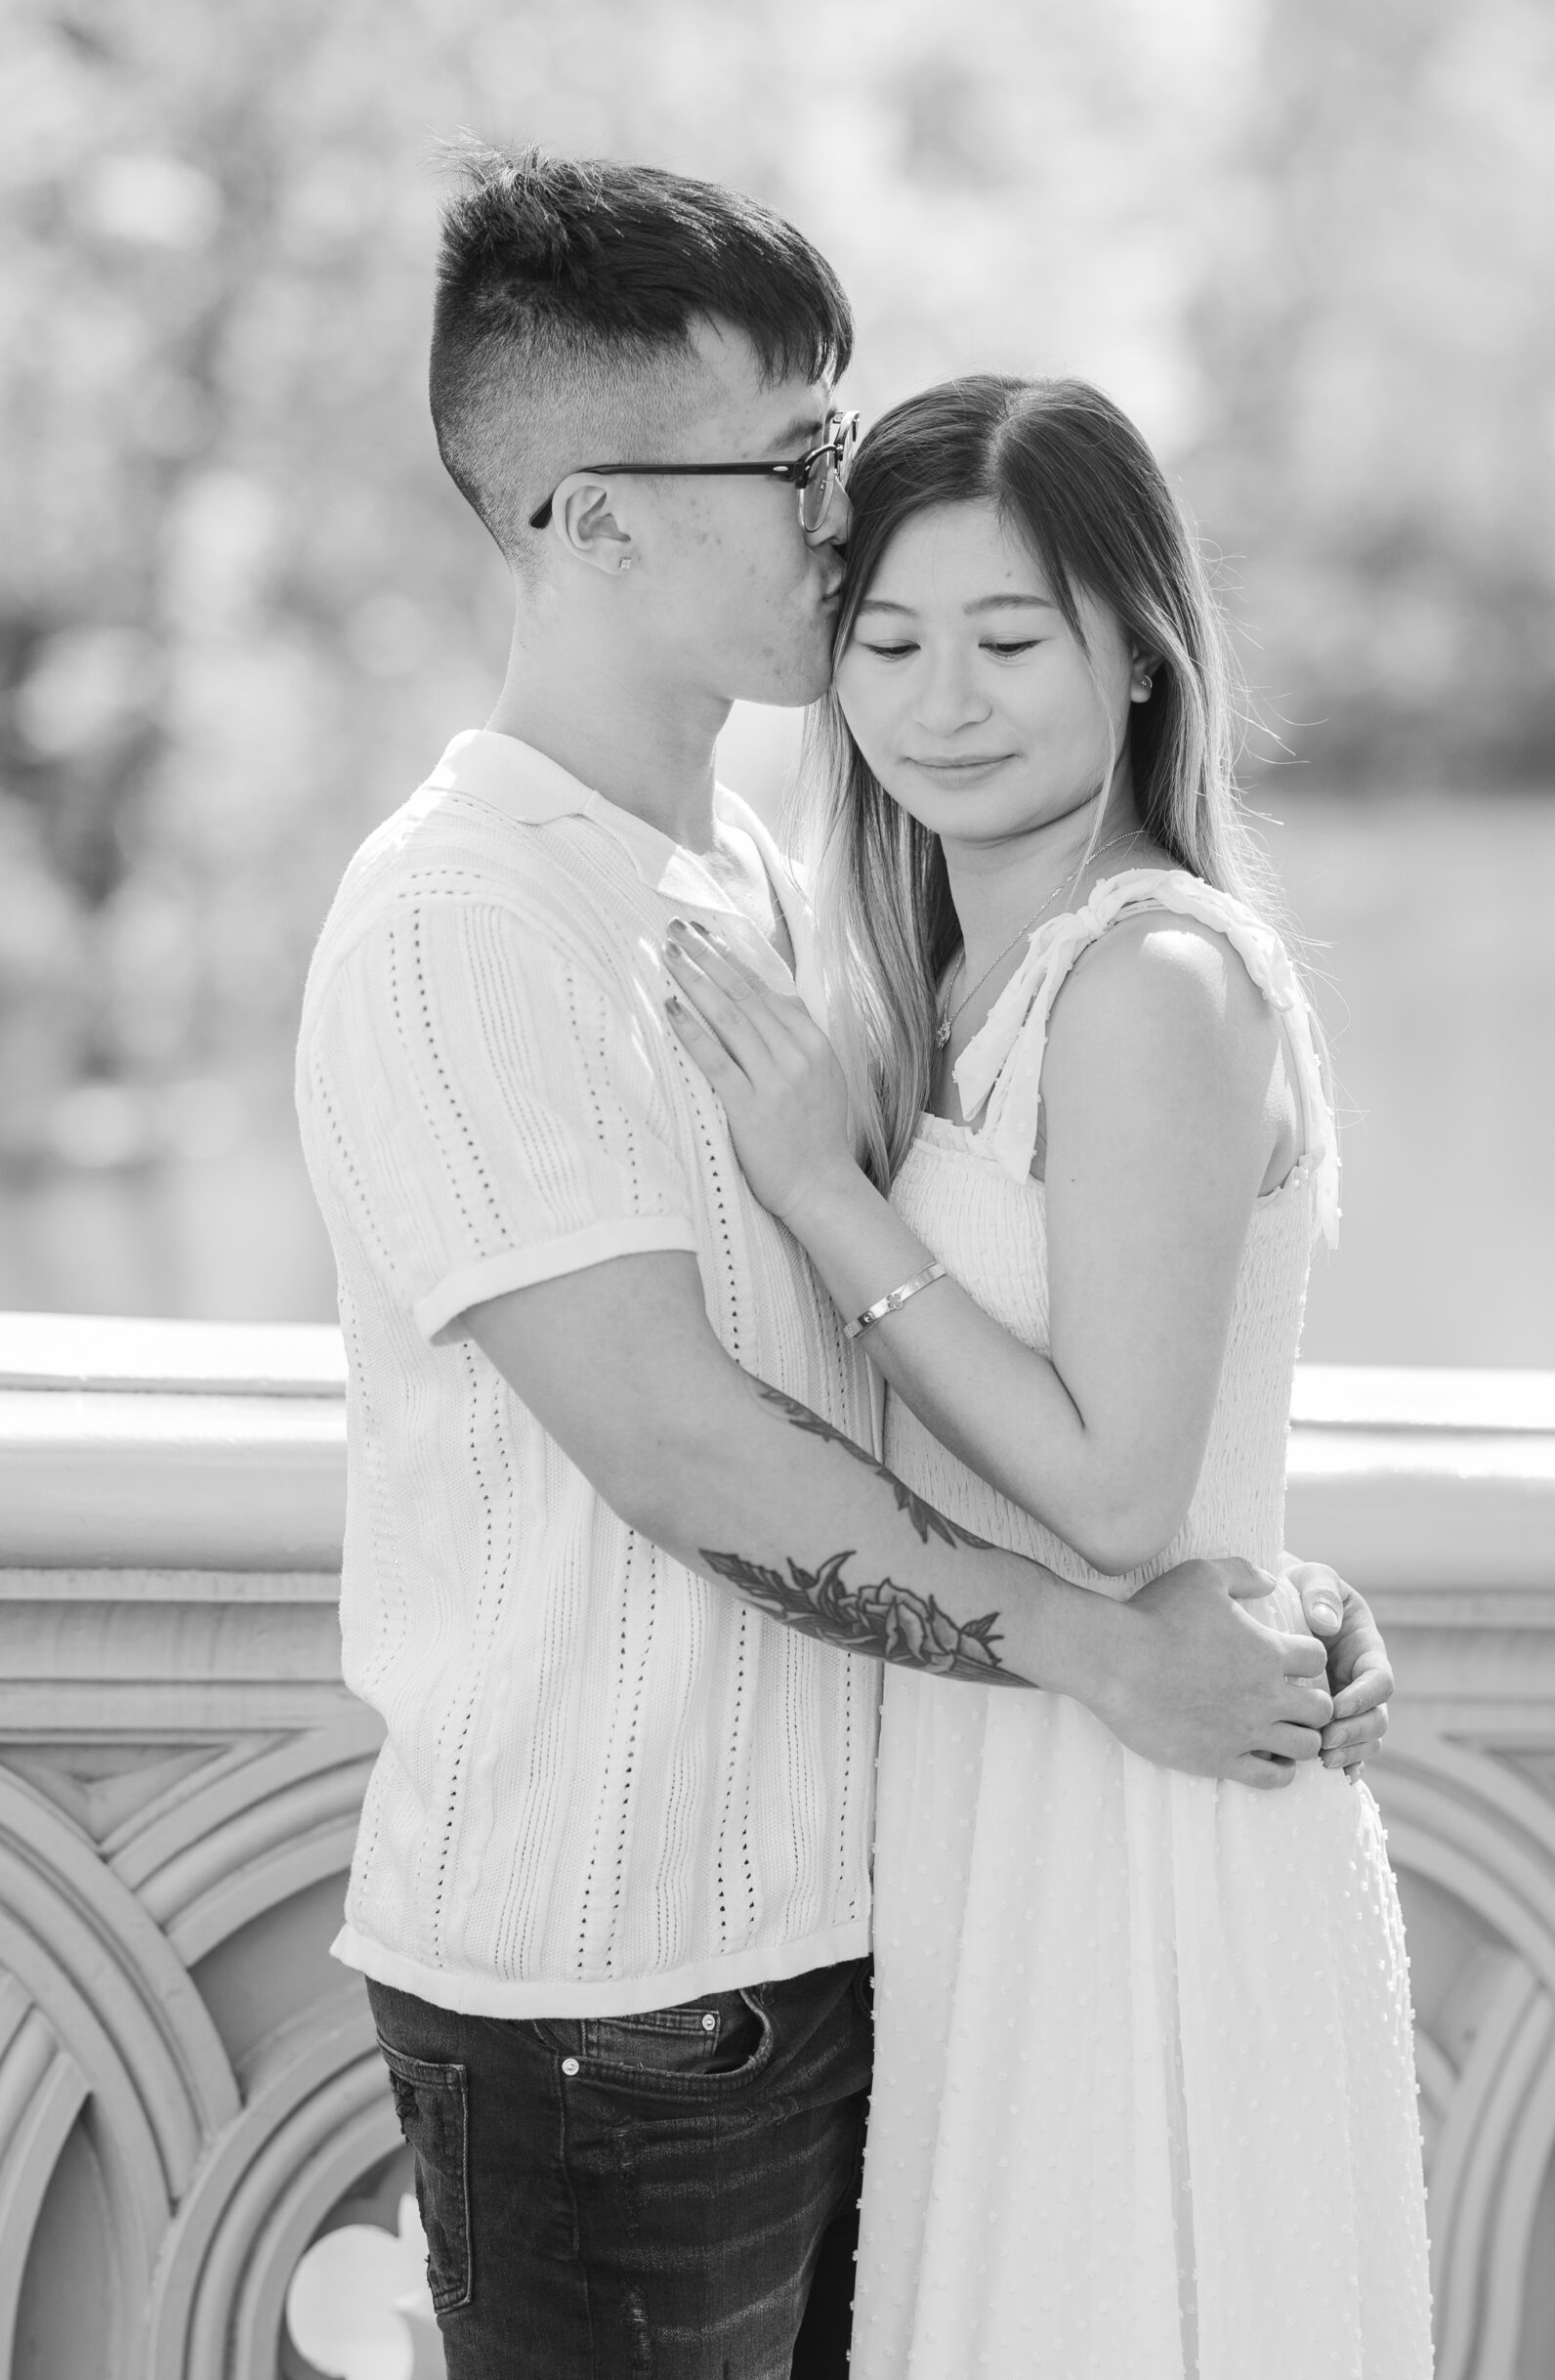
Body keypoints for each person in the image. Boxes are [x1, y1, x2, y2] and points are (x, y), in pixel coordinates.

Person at [295, 151, 1394, 2380]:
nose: (837, 508)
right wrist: (1115, 1640)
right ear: (590, 517)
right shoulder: (457, 924)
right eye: (790, 458)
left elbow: (1018, 1353)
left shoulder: (774, 891)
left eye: (834, 436)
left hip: (885, 1924)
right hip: (620, 1996)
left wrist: (1239, 1566)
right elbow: (687, 1450)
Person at [664, 375, 1433, 2378]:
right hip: (990, 1812)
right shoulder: (937, 985)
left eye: (1008, 640)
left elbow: (1112, 1495)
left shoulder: (1148, 981)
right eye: (889, 643)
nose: (941, 700)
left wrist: (831, 1200)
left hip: (1148, 1821)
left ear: (1138, 658)